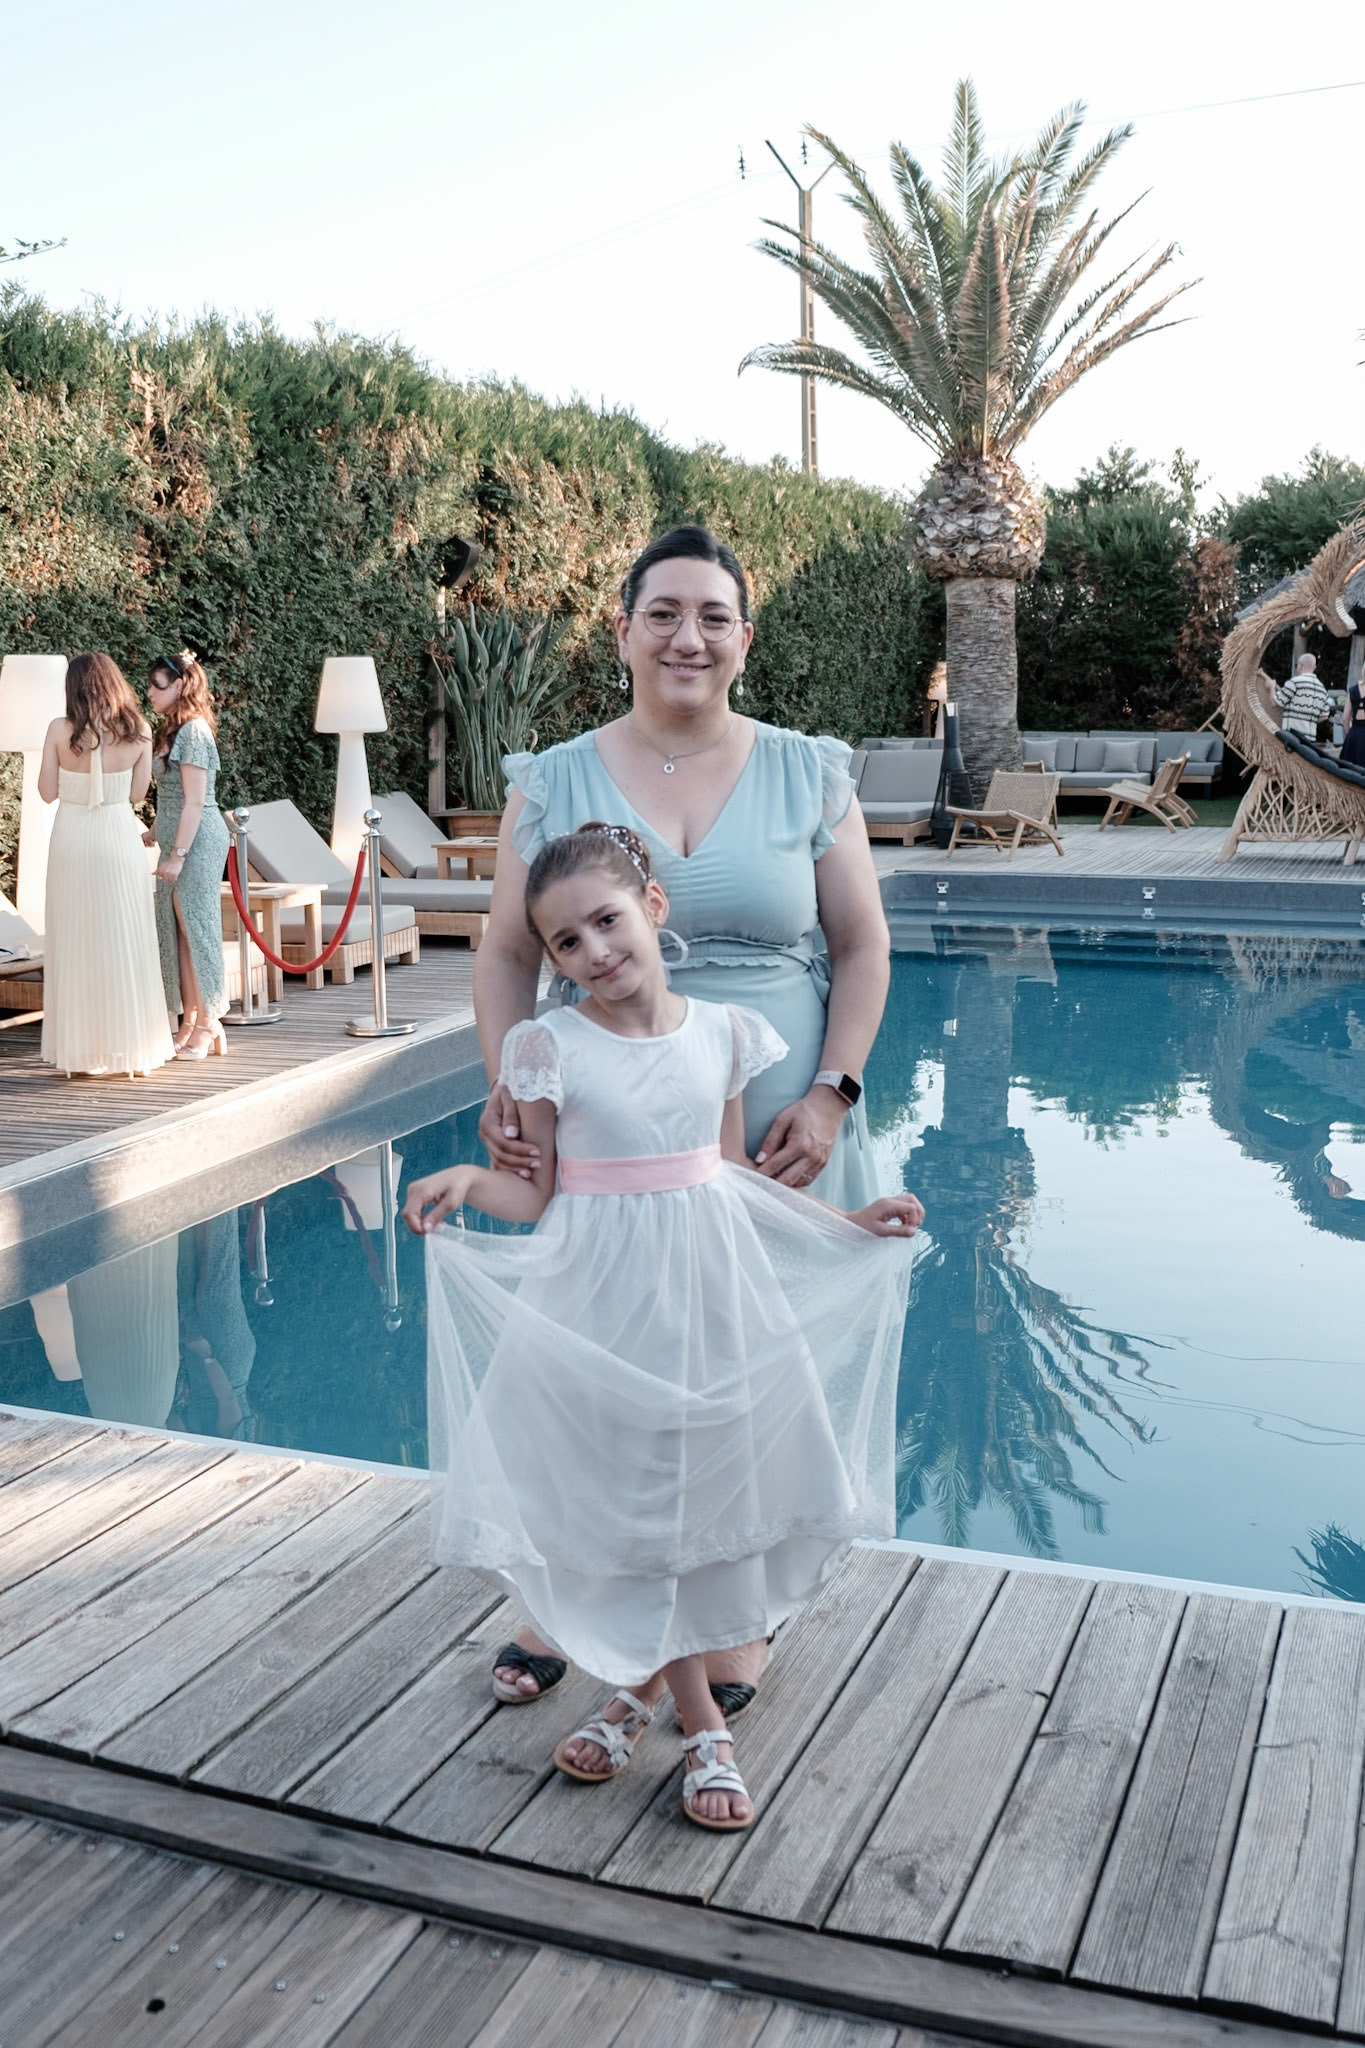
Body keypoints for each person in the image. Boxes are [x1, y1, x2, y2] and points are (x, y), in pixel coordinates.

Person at [403, 823, 922, 1831]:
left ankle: (641, 1700)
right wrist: (471, 1179)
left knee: (693, 1510)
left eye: (607, 920)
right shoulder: (550, 1047)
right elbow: (535, 1193)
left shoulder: (723, 1033)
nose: (594, 951)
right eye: (566, 942)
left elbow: (728, 1178)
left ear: (653, 907)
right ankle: (699, 1726)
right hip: (602, 1313)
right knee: (637, 1507)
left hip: (709, 1305)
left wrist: (848, 1225)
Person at [471, 525, 892, 1713]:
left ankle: (735, 1612)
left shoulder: (810, 771)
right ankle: (566, 1593)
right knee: (597, 1365)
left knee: (755, 1374)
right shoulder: (553, 779)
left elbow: (863, 945)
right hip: (607, 1131)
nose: (687, 636)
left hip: (783, 1132)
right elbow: (505, 953)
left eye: (713, 615)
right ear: (622, 629)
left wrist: (831, 1092)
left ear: (744, 638)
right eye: (663, 612)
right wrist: (511, 1084)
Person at [37, 653, 174, 1078]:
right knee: (126, 939)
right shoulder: (140, 730)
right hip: (118, 839)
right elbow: (137, 795)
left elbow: (46, 792)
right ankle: (133, 1048)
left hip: (72, 839)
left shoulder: (59, 729)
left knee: (75, 940)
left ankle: (78, 1054)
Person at [147, 650, 231, 1059]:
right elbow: (172, 796)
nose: (149, 693)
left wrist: (178, 854)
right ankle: (189, 1019)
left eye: (156, 685)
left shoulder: (194, 731)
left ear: (179, 685)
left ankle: (209, 1022)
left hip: (196, 844)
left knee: (197, 928)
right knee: (180, 931)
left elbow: (196, 801)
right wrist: (155, 830)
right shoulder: (172, 729)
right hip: (177, 840)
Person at [1275, 652, 1332, 741]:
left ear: (1300, 665)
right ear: (1314, 667)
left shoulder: (1294, 683)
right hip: (1309, 739)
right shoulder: (1322, 689)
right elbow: (1324, 716)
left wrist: (1271, 687)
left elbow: (1276, 703)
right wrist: (1309, 719)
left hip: (1291, 736)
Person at [1341, 676, 1365, 769]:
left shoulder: (1353, 690)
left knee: (1350, 771)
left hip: (1354, 735)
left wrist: (1349, 733)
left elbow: (1345, 719)